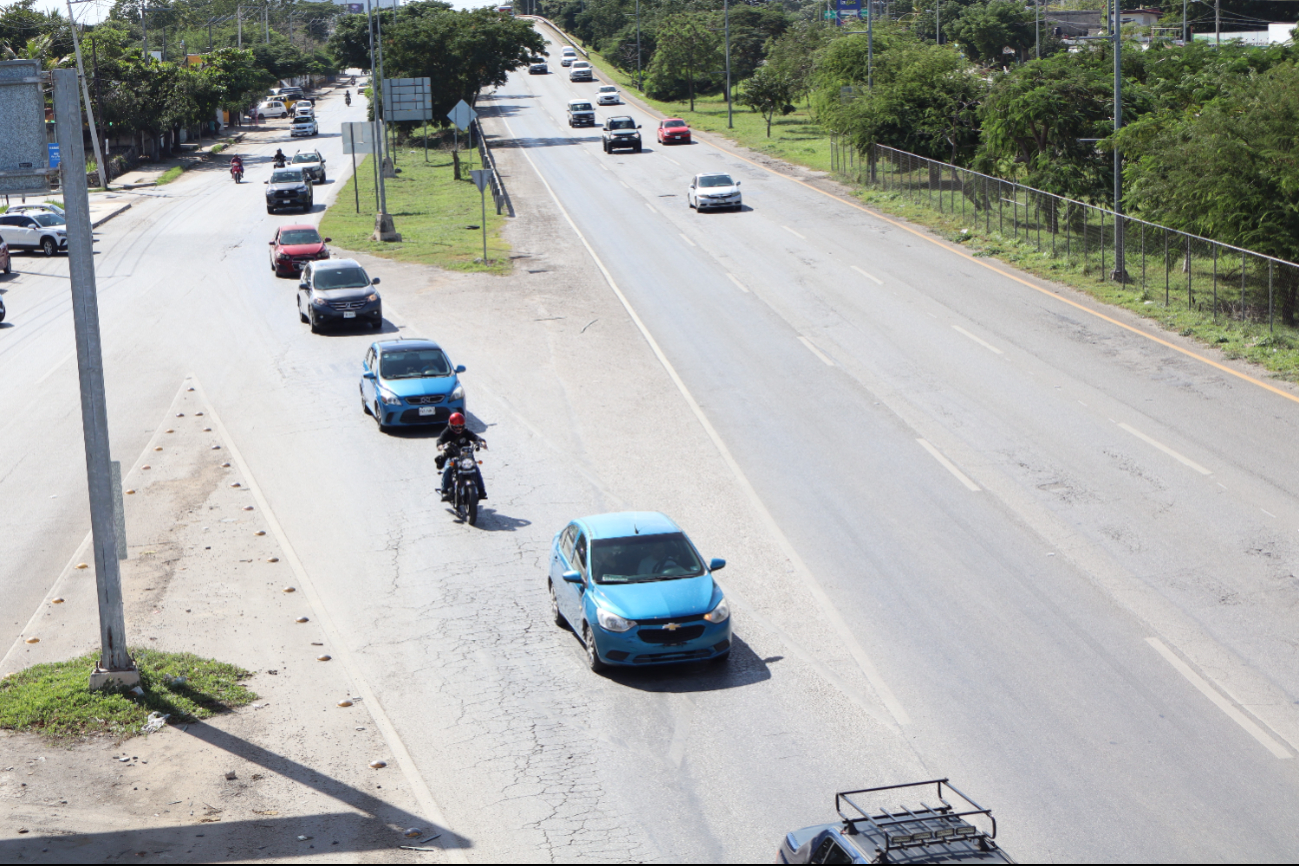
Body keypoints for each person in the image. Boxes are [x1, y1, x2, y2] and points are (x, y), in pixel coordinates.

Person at [437, 412, 487, 501]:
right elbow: (440, 440)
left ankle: (481, 490)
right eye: (456, 427)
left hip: (466, 457)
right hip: (452, 457)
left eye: (460, 426)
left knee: (476, 468)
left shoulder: (466, 432)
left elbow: (475, 437)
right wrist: (441, 446)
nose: (459, 428)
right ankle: (445, 491)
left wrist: (481, 442)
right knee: (448, 468)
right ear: (451, 425)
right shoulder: (447, 432)